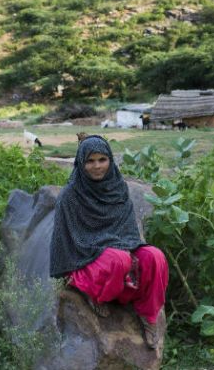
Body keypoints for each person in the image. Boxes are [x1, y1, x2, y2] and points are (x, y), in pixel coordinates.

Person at [49, 135, 169, 349]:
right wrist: (108, 251)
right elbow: (67, 243)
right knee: (119, 260)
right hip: (87, 256)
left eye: (102, 160)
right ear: (81, 163)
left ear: (110, 160)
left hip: (121, 247)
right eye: (90, 161)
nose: (97, 166)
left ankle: (148, 316)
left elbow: (128, 230)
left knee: (155, 257)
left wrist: (126, 251)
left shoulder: (118, 188)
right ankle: (94, 294)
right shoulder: (70, 195)